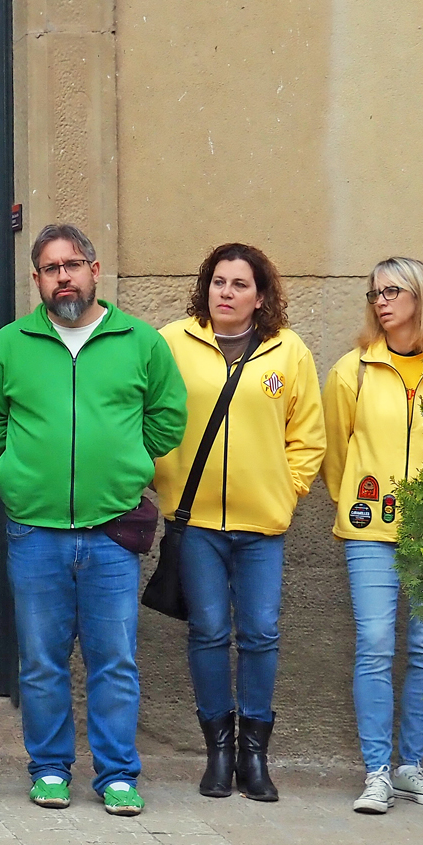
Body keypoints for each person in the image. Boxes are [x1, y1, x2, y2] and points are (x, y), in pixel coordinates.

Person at [0, 223, 186, 817]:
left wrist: (125, 464)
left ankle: (117, 774)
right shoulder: (8, 346)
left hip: (111, 530)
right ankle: (49, 768)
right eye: (49, 268)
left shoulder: (140, 342)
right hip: (34, 529)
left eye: (71, 265)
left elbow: (168, 417)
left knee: (114, 660)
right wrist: (19, 467)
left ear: (93, 270)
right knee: (42, 662)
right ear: (36, 279)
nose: (62, 277)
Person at [154, 244, 325, 800]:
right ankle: (219, 752)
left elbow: (307, 437)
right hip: (195, 522)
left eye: (239, 284)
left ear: (261, 296)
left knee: (261, 633)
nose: (226, 293)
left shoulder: (288, 350)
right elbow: (144, 416)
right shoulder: (171, 343)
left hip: (262, 526)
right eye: (218, 282)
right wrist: (160, 479)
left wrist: (287, 492)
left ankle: (254, 756)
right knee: (208, 630)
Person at [322, 257, 423, 814]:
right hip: (370, 530)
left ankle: (410, 766)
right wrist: (354, 501)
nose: (380, 301)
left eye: (392, 291)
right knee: (375, 645)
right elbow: (335, 451)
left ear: (420, 296)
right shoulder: (351, 371)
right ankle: (376, 771)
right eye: (374, 293)